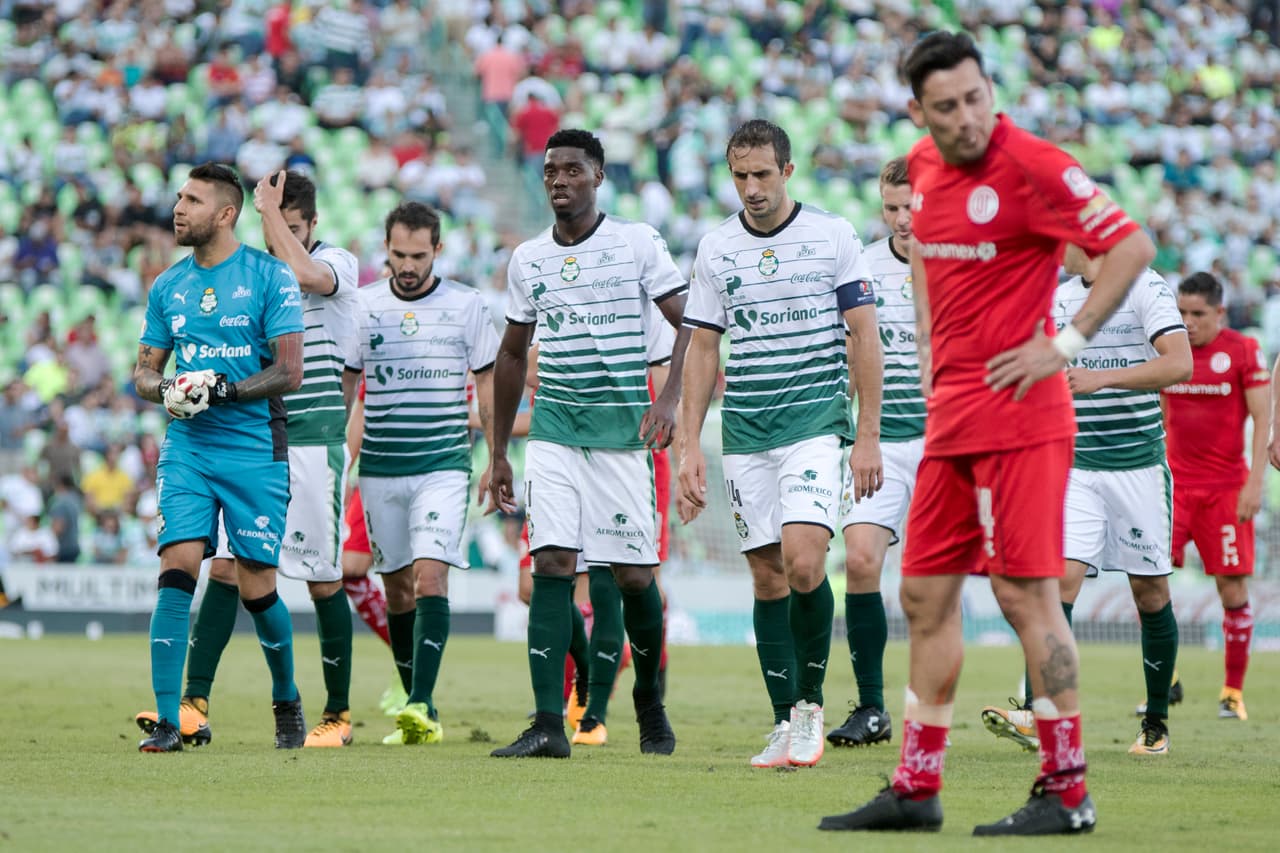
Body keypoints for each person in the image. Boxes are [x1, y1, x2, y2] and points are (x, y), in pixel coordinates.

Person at [818, 32, 1154, 835]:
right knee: (923, 593)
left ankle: (1068, 789)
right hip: (954, 418)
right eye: (946, 106)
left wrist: (1062, 344)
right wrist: (934, 356)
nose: (967, 118)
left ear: (989, 89)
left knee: (1024, 595)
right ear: (917, 111)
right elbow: (928, 261)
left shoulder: (1034, 163)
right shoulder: (924, 168)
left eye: (976, 98)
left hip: (1025, 419)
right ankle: (917, 785)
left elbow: (1131, 246)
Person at [678, 119, 883, 770]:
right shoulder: (715, 248)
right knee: (766, 576)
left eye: (762, 174)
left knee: (803, 562)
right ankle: (780, 719)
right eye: (740, 176)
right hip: (745, 432)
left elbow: (865, 334)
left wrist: (867, 432)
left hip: (815, 424)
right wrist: (688, 444)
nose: (751, 187)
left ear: (787, 171)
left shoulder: (832, 236)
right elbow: (702, 348)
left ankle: (811, 707)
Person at [135, 170, 362, 748]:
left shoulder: (271, 278)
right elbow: (142, 370)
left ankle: (287, 696)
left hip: (256, 445)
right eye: (180, 197)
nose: (178, 207)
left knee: (258, 585)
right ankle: (170, 720)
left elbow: (291, 371)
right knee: (178, 566)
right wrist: (167, 390)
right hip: (189, 447)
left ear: (227, 213)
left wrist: (222, 390)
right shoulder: (168, 286)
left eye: (193, 200)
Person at [488, 128, 688, 759]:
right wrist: (497, 451)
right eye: (550, 171)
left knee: (633, 578)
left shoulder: (635, 243)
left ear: (597, 177)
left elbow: (693, 325)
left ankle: (649, 703)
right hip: (553, 436)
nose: (559, 180)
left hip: (624, 440)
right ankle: (550, 723)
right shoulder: (528, 259)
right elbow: (513, 354)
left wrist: (671, 397)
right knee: (550, 566)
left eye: (572, 170)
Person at [979, 245, 1190, 757]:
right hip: (1076, 469)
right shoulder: (1057, 300)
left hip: (1138, 467)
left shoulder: (1144, 287)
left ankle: (1156, 723)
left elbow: (1180, 364)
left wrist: (1101, 378)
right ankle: (1039, 714)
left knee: (1150, 595)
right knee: (1054, 587)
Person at [345, 201, 500, 746]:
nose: (407, 265)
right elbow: (349, 388)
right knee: (397, 593)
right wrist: (339, 459)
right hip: (382, 467)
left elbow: (486, 385)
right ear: (384, 250)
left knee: (430, 576)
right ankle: (417, 712)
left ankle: (421, 704)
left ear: (438, 250)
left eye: (417, 255)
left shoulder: (466, 305)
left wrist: (496, 454)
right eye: (397, 255)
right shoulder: (361, 307)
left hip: (444, 464)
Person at [826, 156, 919, 751]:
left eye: (912, 207)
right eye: (891, 208)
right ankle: (872, 707)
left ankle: (937, 709)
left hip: (950, 441)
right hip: (883, 439)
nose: (902, 219)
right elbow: (854, 354)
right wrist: (859, 435)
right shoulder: (864, 266)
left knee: (934, 585)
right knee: (860, 561)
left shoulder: (962, 265)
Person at [1165, 272, 1269, 722]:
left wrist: (1255, 484)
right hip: (1171, 488)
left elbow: (1263, 420)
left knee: (1231, 589)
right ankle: (1163, 683)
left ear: (1220, 312)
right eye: (1182, 313)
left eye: (1198, 314)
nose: (1188, 322)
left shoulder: (1242, 351)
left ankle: (1232, 692)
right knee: (1147, 581)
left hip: (1225, 488)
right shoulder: (1166, 348)